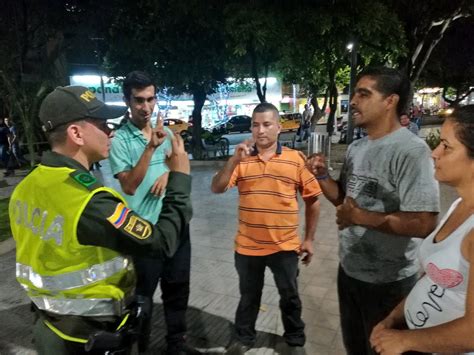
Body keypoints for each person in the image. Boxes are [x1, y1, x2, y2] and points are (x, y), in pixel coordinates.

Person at [9, 85, 192, 355]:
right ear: (76, 133)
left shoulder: (27, 187)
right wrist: (179, 177)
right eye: (102, 125)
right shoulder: (89, 201)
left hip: (50, 326)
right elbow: (161, 243)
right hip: (87, 337)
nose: (110, 132)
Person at [307, 66, 440, 355]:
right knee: (355, 348)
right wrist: (322, 178)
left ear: (390, 101)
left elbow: (424, 222)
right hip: (350, 273)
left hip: (390, 284)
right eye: (355, 93)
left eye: (363, 94)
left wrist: (360, 218)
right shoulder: (357, 148)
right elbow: (345, 200)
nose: (353, 101)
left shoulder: (411, 151)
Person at [211, 102, 322, 355]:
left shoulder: (295, 160)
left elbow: (313, 199)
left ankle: (295, 338)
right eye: (255, 124)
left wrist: (309, 239)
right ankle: (244, 337)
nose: (260, 130)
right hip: (248, 247)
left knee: (290, 296)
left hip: (285, 246)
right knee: (248, 297)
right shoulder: (241, 159)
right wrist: (232, 160)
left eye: (267, 124)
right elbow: (216, 188)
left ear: (279, 128)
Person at [370, 105, 474, 354]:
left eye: (446, 147)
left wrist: (405, 341)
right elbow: (432, 278)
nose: (434, 154)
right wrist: (394, 319)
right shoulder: (459, 205)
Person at [109, 71, 196, 354]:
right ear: (127, 100)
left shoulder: (168, 133)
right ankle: (140, 348)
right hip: (143, 232)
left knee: (178, 290)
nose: (146, 107)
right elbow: (130, 186)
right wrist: (150, 148)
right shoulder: (120, 140)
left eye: (150, 99)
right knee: (142, 298)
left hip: (176, 225)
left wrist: (170, 174)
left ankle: (176, 345)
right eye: (138, 100)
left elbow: (181, 166)